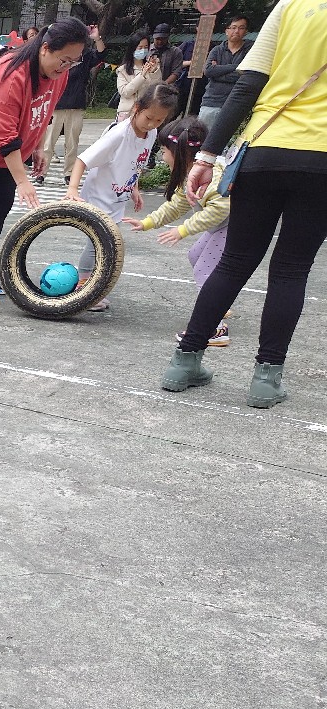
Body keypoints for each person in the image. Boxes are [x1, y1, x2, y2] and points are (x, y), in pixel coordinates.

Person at [160, 0, 327, 409]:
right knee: (291, 270)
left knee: (234, 261)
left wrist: (206, 156)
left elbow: (247, 85)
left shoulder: (291, 6)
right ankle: (266, 379)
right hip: (322, 161)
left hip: (263, 150)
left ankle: (185, 361)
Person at [0, 17, 89, 304]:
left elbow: (44, 111)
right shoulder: (10, 75)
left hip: (8, 147)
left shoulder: (58, 74)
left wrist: (37, 147)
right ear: (45, 48)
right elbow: (4, 138)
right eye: (64, 60)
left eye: (73, 62)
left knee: (1, 206)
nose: (66, 67)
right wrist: (23, 181)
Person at [65, 83, 179, 310]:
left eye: (159, 120)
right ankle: (83, 287)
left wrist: (134, 188)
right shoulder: (118, 134)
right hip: (99, 197)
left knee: (107, 244)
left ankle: (92, 286)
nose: (152, 124)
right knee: (98, 242)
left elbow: (135, 163)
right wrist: (73, 189)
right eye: (149, 118)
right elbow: (83, 159)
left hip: (117, 198)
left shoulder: (151, 133)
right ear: (137, 108)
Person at [121, 118, 233, 346]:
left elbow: (221, 208)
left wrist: (183, 230)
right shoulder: (190, 174)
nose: (162, 157)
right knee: (195, 256)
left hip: (235, 226)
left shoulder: (213, 176)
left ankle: (216, 327)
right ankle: (219, 301)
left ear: (179, 152)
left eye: (164, 151)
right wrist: (148, 222)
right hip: (222, 226)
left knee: (204, 270)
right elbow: (176, 205)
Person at [33, 23, 104, 183]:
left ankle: (69, 172)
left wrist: (96, 38)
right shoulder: (57, 54)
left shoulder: (85, 56)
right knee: (48, 141)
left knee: (72, 142)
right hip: (56, 104)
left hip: (76, 104)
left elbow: (101, 55)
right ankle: (41, 172)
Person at [199, 14, 250, 126]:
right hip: (211, 102)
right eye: (233, 27)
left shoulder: (250, 50)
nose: (236, 31)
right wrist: (236, 67)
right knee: (203, 134)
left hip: (237, 103)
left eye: (241, 28)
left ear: (246, 32)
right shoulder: (217, 50)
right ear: (226, 31)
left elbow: (247, 74)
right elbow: (208, 71)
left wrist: (218, 71)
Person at [116, 32, 163, 122]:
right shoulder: (123, 70)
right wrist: (142, 76)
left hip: (146, 112)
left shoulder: (151, 66)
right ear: (133, 48)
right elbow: (125, 92)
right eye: (140, 47)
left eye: (146, 47)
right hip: (127, 112)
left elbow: (157, 88)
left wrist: (154, 72)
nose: (143, 50)